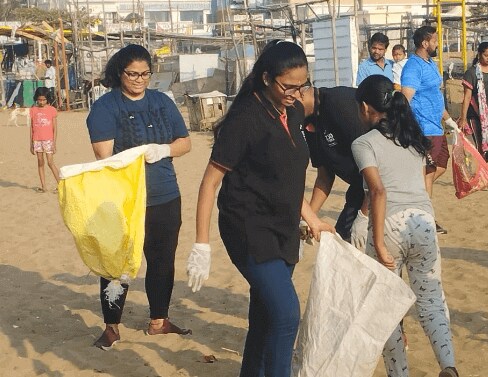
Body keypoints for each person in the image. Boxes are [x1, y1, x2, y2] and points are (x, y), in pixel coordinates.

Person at [186, 40, 334, 376]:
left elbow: (285, 178)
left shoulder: (293, 110)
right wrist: (201, 244)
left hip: (283, 227)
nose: (295, 93)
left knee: (265, 317)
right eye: (288, 86)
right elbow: (209, 183)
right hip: (248, 227)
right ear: (266, 78)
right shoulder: (245, 118)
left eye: (302, 85)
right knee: (286, 314)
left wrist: (312, 218)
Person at [351, 75, 459, 377]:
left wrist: (376, 239)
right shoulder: (411, 139)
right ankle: (448, 365)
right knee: (432, 302)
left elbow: (377, 192)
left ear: (365, 107)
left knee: (388, 309)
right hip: (423, 219)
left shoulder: (363, 144)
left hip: (390, 225)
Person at [86, 44, 192, 350]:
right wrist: (134, 155)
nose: (139, 79)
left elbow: (185, 142)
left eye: (145, 74)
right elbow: (103, 156)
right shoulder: (105, 108)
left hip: (165, 195)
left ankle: (159, 321)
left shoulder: (162, 102)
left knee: (162, 261)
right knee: (117, 265)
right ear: (120, 73)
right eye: (132, 74)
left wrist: (165, 149)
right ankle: (111, 327)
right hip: (123, 199)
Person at [401, 26, 457, 234]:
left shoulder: (431, 63)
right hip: (423, 128)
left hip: (437, 126)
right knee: (428, 171)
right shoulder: (413, 67)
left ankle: (415, 200)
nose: (437, 44)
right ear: (424, 43)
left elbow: (435, 95)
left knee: (440, 165)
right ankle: (426, 218)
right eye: (434, 40)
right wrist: (407, 125)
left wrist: (449, 119)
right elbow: (406, 97)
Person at [299, 85, 369, 244]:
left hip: (381, 190)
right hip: (360, 189)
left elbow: (378, 168)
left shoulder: (339, 103)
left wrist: (364, 216)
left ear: (300, 92)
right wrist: (309, 218)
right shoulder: (308, 123)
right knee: (342, 242)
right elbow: (324, 177)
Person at [29, 86, 59, 193]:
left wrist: (54, 143)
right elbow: (31, 128)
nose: (41, 102)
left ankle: (60, 184)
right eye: (39, 100)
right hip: (37, 140)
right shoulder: (33, 110)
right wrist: (31, 144)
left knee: (50, 162)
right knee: (40, 162)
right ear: (36, 98)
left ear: (48, 99)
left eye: (44, 100)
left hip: (48, 140)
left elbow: (55, 128)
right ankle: (43, 186)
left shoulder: (52, 110)